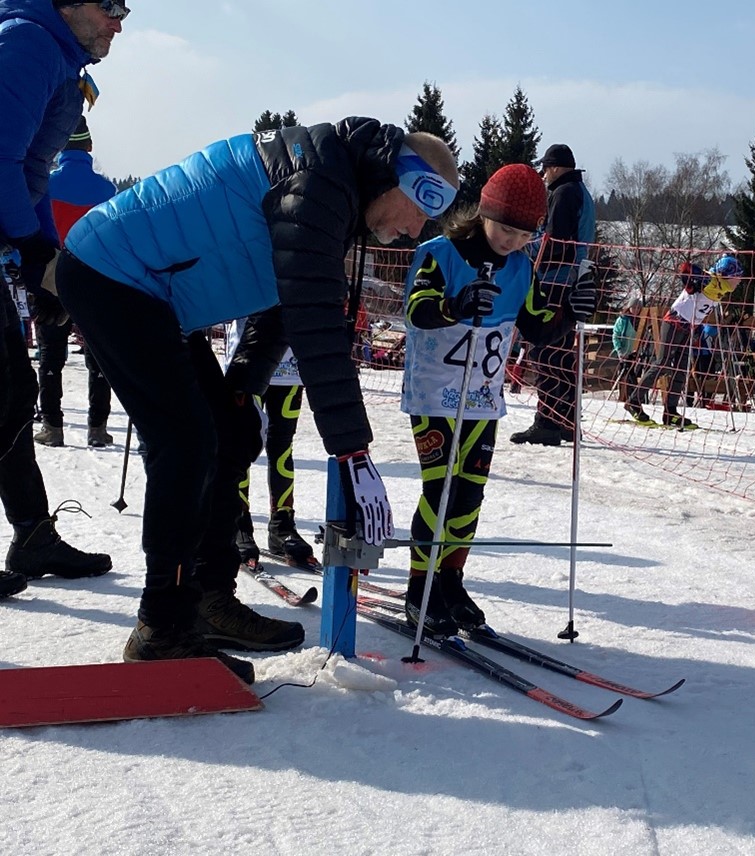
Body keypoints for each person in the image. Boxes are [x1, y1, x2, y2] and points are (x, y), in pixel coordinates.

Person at [56, 118, 458, 681]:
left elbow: (283, 296)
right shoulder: (321, 183)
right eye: (419, 205)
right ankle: (162, 629)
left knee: (232, 429)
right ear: (392, 175)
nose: (416, 229)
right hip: (110, 273)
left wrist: (243, 385)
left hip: (152, 293)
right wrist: (354, 452)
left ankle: (208, 598)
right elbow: (315, 322)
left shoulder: (334, 185)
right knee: (186, 444)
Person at [401, 164, 590, 635]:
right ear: (484, 213)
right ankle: (418, 585)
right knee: (439, 487)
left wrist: (570, 311)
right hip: (434, 396)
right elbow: (416, 309)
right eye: (505, 228)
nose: (511, 240)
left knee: (469, 492)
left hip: (482, 399)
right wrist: (455, 305)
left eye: (524, 234)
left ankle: (450, 581)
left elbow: (536, 326)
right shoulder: (438, 254)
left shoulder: (522, 268)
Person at [0, 0, 125, 601]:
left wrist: (43, 252)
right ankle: (30, 533)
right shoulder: (26, 42)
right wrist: (27, 243)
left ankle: (31, 534)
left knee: (14, 390)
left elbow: (29, 170)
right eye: (110, 6)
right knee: (5, 391)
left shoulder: (55, 57)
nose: (120, 21)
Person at [34, 116, 118, 449]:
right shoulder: (108, 190)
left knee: (50, 357)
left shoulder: (45, 183)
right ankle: (97, 428)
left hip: (52, 279)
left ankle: (52, 428)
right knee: (98, 359)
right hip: (95, 281)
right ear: (89, 147)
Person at [510, 143, 597, 446]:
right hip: (570, 281)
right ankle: (566, 422)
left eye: (545, 169)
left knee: (544, 352)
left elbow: (555, 243)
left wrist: (525, 245)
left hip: (554, 282)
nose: (543, 175)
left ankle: (547, 421)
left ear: (556, 167)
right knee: (561, 356)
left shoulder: (563, 193)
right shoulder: (579, 192)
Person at [223, 324, 316, 568]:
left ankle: (282, 525)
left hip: (290, 366)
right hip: (247, 360)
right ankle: (238, 523)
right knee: (240, 444)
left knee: (282, 446)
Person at [627, 255, 743, 428]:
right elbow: (685, 269)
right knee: (663, 363)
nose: (739, 281)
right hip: (675, 322)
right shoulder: (710, 280)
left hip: (689, 327)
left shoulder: (722, 287)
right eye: (737, 277)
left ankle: (670, 411)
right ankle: (633, 401)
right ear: (727, 274)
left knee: (682, 369)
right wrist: (695, 281)